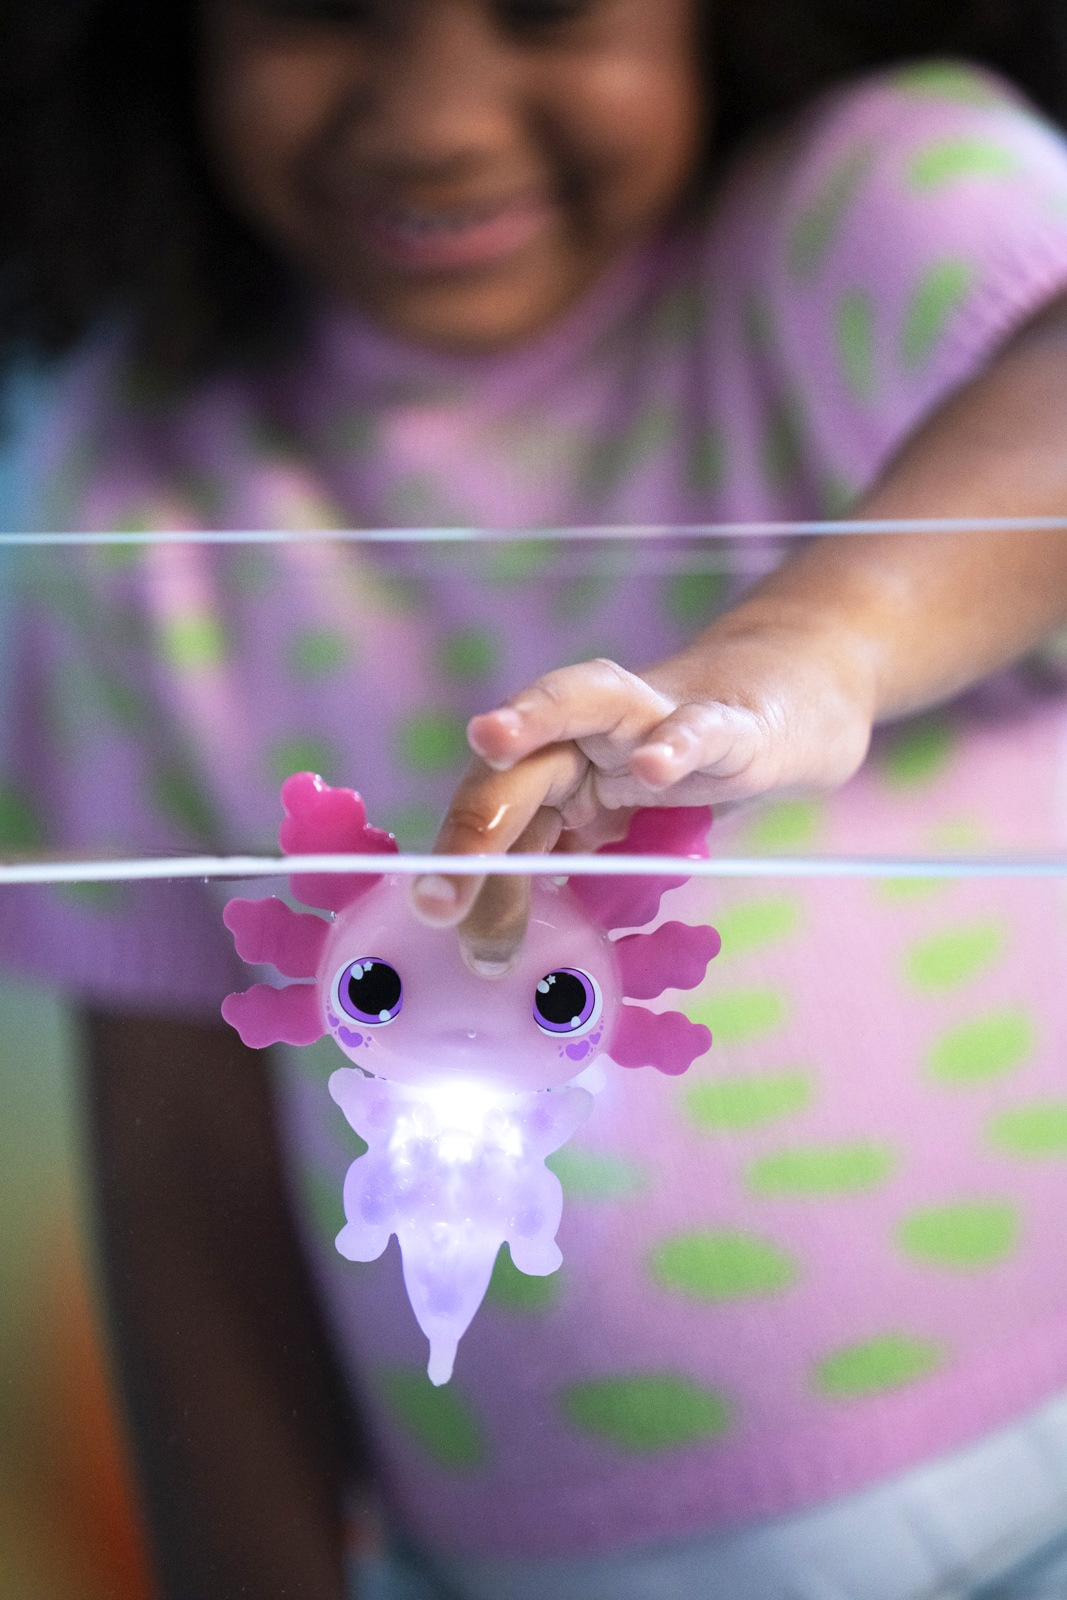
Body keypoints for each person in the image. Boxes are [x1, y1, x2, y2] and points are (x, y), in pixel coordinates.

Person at [7, 1, 1067, 1594]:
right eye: (316, 6)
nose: (436, 120)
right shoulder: (126, 482)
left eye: (550, 6)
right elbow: (185, 1181)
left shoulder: (867, 203)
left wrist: (810, 650)